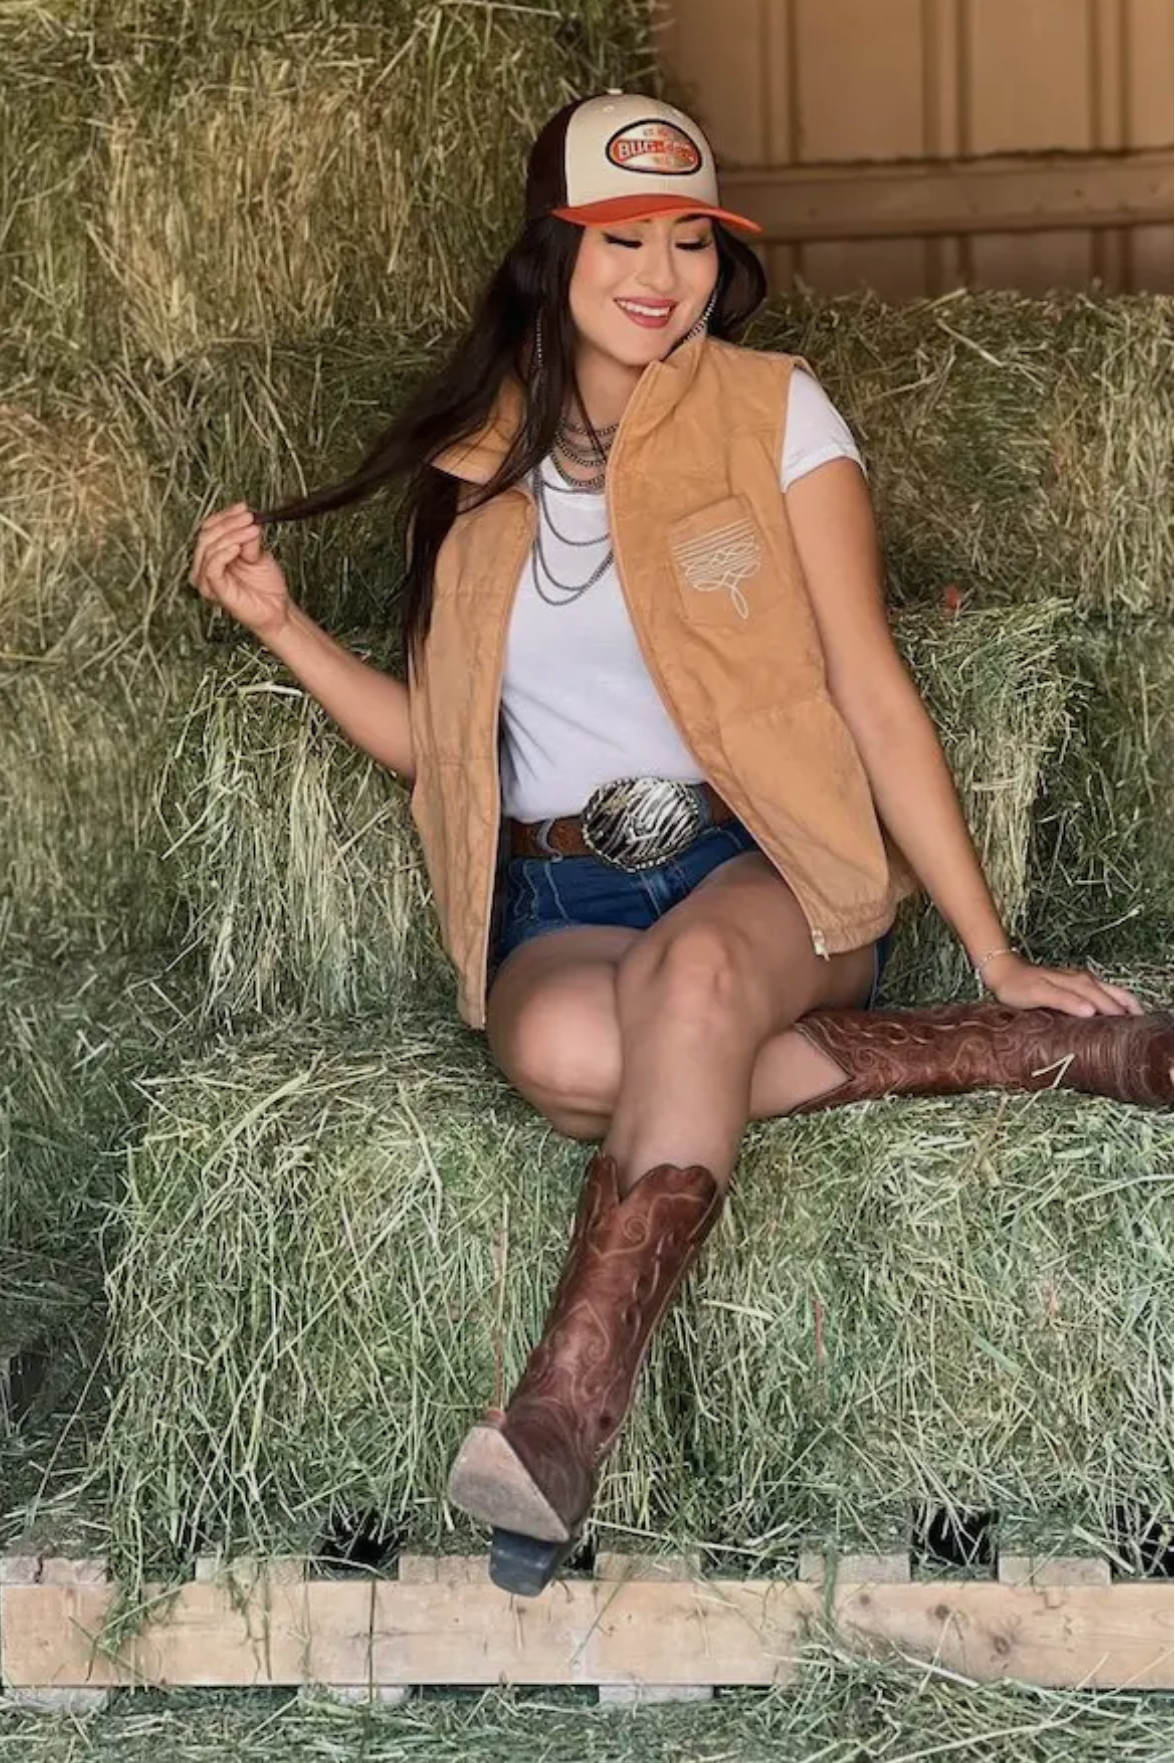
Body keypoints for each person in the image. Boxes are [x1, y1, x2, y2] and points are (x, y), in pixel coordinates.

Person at [190, 92, 1173, 1598]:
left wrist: (995, 943)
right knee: (579, 1057)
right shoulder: (474, 468)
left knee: (700, 980)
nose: (660, 269)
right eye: (619, 235)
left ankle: (563, 1410)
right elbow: (438, 750)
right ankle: (980, 1050)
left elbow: (869, 685)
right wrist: (279, 627)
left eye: (690, 237)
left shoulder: (775, 410)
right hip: (562, 892)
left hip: (768, 867)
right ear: (552, 250)